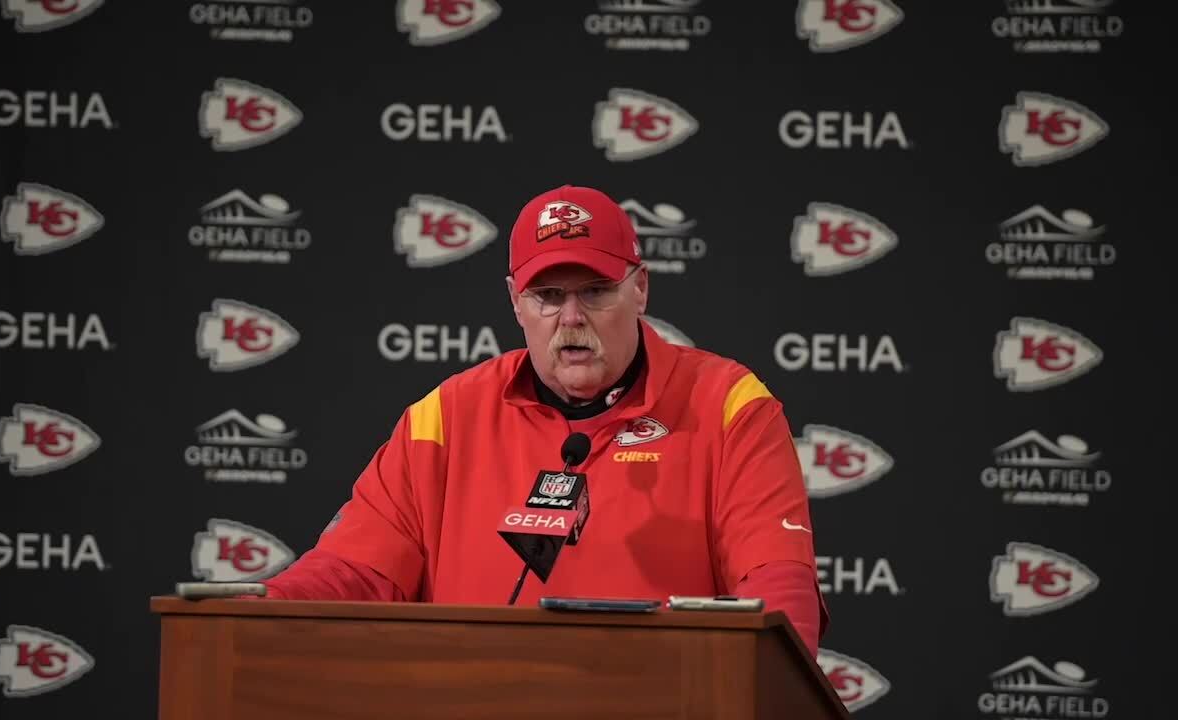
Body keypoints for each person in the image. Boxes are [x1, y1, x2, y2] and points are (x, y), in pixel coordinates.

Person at [258, 185, 828, 655]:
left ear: (641, 289)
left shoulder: (730, 405)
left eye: (597, 292)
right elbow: (355, 573)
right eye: (548, 295)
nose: (572, 317)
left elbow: (778, 589)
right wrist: (255, 609)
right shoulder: (446, 417)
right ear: (515, 301)